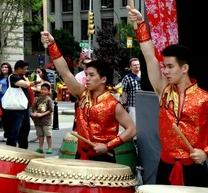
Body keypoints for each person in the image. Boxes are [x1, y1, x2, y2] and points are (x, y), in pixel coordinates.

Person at [126, 6, 208, 187]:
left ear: (184, 68)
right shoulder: (163, 90)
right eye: (164, 67)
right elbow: (149, 57)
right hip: (166, 166)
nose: (165, 71)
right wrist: (140, 24)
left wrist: (206, 152)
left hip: (194, 168)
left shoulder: (205, 99)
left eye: (170, 67)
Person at [41, 31, 136, 162]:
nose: (87, 78)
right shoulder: (81, 94)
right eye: (87, 75)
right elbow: (65, 72)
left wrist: (108, 146)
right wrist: (52, 44)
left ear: (103, 79)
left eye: (92, 75)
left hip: (104, 158)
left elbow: (131, 129)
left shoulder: (114, 104)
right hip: (81, 155)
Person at [4, 61, 33, 148]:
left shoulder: (20, 77)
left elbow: (28, 85)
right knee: (15, 129)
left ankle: (23, 148)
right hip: (16, 108)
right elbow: (26, 85)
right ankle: (11, 148)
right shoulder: (13, 77)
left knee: (25, 129)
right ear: (19, 68)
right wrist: (28, 80)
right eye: (25, 69)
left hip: (24, 107)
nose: (26, 71)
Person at [31, 82, 54, 154]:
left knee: (48, 135)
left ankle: (50, 147)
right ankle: (40, 147)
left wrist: (42, 114)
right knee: (40, 135)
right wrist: (35, 113)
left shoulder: (48, 100)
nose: (43, 91)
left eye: (45, 90)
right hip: (38, 121)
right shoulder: (38, 99)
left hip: (46, 121)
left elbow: (51, 110)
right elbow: (34, 107)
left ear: (48, 91)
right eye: (42, 89)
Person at [121, 58, 141, 125]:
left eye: (138, 64)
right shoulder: (127, 77)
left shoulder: (144, 76)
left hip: (144, 104)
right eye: (135, 65)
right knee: (134, 124)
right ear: (131, 67)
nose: (137, 66)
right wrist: (124, 103)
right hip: (133, 105)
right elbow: (124, 91)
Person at [0, 62, 12, 142]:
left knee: (10, 118)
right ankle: (6, 134)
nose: (4, 68)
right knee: (4, 118)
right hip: (0, 100)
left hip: (9, 100)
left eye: (6, 67)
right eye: (2, 67)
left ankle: (10, 134)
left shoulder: (11, 77)